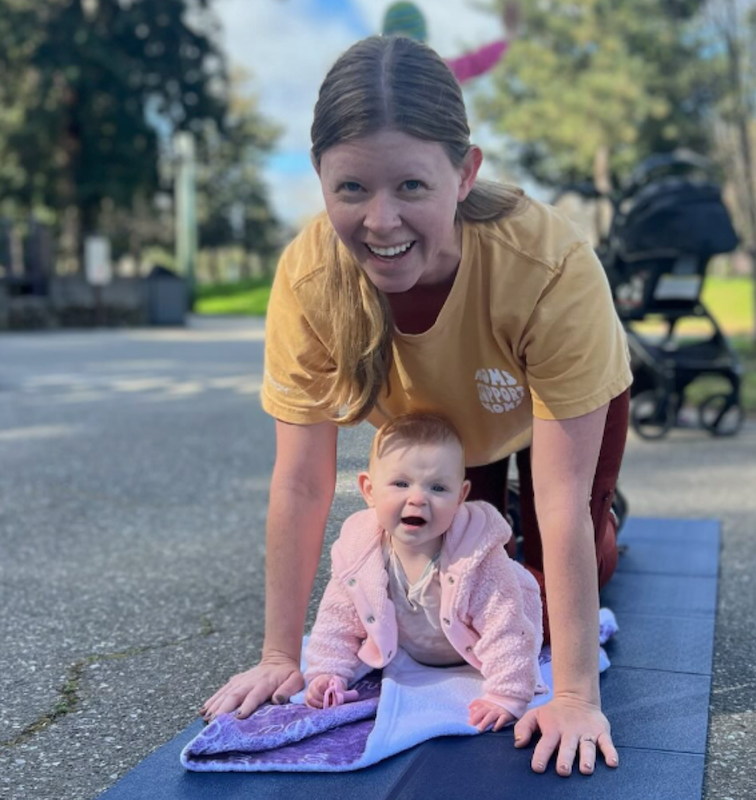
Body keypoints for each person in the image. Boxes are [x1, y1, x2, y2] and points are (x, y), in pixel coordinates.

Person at [201, 34, 631, 778]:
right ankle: (492, 496)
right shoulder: (309, 279)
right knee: (448, 573)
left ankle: (612, 515)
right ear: (319, 176)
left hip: (545, 412)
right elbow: (301, 482)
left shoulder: (547, 264)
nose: (381, 221)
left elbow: (562, 497)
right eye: (351, 188)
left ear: (464, 174)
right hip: (441, 437)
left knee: (547, 576)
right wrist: (278, 655)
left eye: (410, 186)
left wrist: (572, 695)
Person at [303, 413, 547, 732]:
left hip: (512, 615)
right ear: (369, 490)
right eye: (401, 484)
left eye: (438, 487)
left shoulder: (477, 560)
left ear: (460, 497)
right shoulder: (360, 555)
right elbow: (337, 620)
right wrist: (327, 672)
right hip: (419, 647)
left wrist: (507, 694)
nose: (417, 498)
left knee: (555, 610)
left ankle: (595, 525)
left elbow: (507, 626)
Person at [381, 0, 520, 84]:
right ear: (422, 41)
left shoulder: (370, 75)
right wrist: (509, 36)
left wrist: (508, 36)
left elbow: (475, 62)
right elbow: (475, 63)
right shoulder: (437, 72)